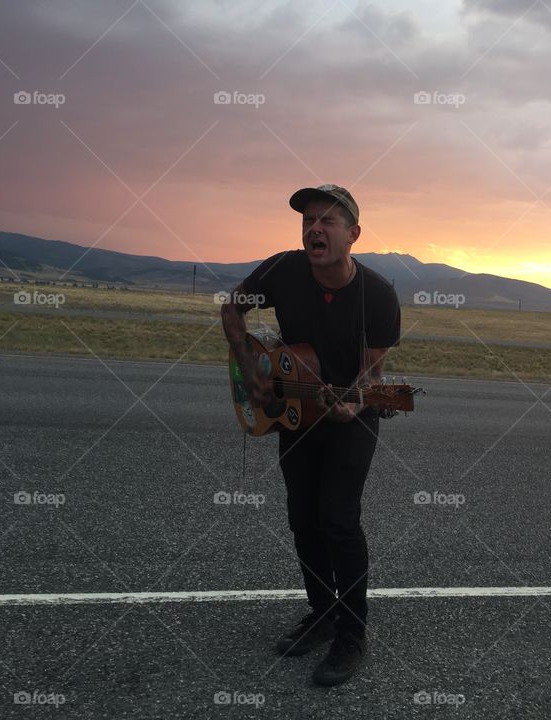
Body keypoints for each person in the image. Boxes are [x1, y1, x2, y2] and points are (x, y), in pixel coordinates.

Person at [220, 184, 401, 686]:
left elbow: (371, 378)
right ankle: (321, 614)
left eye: (327, 221)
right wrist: (249, 367)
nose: (313, 229)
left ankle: (351, 634)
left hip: (350, 415)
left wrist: (355, 402)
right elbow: (232, 309)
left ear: (353, 234)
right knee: (302, 516)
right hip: (296, 410)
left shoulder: (378, 295)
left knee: (338, 521)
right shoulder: (280, 270)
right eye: (308, 221)